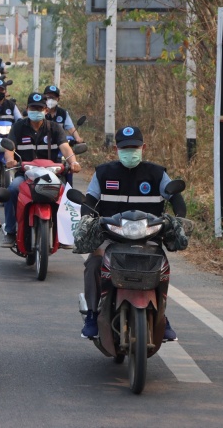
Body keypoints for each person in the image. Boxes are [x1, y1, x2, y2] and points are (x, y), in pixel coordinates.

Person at [79, 125, 186, 341]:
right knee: (94, 264)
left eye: (134, 147)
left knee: (162, 267)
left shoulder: (157, 174)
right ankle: (92, 314)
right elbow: (89, 200)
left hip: (149, 237)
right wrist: (87, 219)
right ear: (116, 149)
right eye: (125, 148)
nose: (130, 152)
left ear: (143, 148)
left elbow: (176, 199)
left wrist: (179, 219)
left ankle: (162, 316)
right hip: (109, 237)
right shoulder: (103, 173)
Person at [0, 93, 80, 248]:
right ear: (27, 109)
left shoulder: (55, 128)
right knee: (12, 190)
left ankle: (64, 235)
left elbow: (65, 147)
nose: (36, 111)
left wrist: (73, 162)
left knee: (66, 194)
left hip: (52, 176)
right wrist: (10, 159)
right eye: (33, 108)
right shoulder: (18, 127)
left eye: (39, 108)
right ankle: (10, 231)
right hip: (25, 175)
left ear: (46, 110)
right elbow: (9, 147)